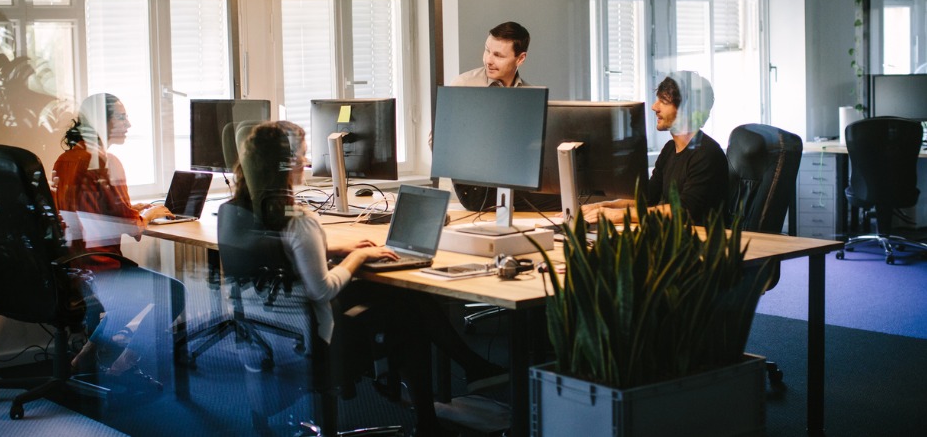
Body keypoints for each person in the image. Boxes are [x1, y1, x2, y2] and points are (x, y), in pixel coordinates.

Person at [231, 121, 506, 437]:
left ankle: (457, 381)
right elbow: (322, 288)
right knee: (409, 312)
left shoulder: (249, 210)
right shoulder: (300, 221)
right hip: (320, 342)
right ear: (286, 163)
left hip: (277, 332)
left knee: (404, 299)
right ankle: (441, 405)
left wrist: (334, 246)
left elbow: (284, 247)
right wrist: (357, 257)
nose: (306, 162)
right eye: (303, 155)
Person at [53, 93, 177, 390]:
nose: (128, 123)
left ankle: (93, 350)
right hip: (102, 266)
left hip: (70, 263)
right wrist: (151, 214)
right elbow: (128, 226)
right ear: (101, 122)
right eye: (121, 117)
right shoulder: (106, 161)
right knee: (174, 293)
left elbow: (89, 211)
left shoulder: (67, 159)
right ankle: (123, 362)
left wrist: (138, 208)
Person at [442, 21, 560, 212]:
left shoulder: (529, 95)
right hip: (475, 187)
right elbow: (439, 143)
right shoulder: (464, 85)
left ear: (520, 59)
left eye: (498, 55)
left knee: (568, 195)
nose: (488, 60)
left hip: (516, 179)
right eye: (487, 50)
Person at [582, 71, 728, 225]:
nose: (654, 107)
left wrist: (618, 215)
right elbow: (648, 198)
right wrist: (603, 206)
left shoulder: (706, 154)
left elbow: (684, 211)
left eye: (664, 101)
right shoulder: (670, 149)